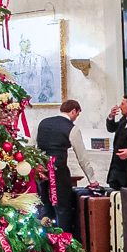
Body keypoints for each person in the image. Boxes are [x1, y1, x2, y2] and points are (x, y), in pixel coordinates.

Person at [36, 99, 99, 232]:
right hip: (58, 171)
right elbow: (82, 157)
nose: (76, 117)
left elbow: (34, 147)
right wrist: (92, 180)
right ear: (73, 111)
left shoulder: (42, 123)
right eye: (77, 114)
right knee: (63, 208)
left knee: (44, 205)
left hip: (40, 171)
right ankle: (63, 243)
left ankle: (44, 240)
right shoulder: (72, 128)